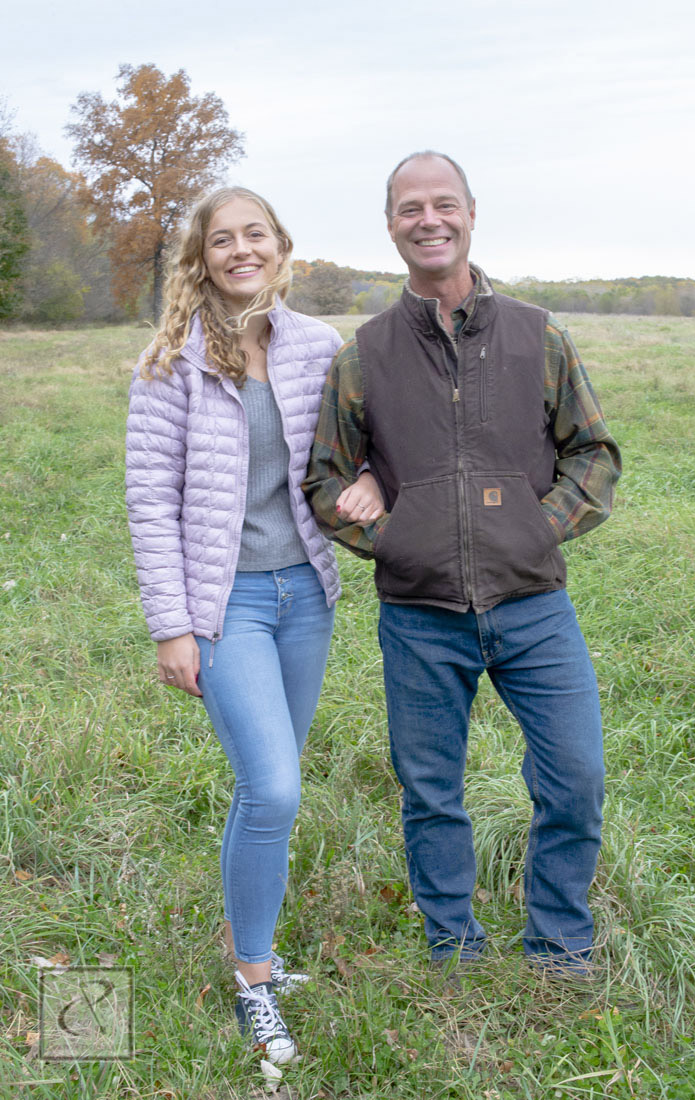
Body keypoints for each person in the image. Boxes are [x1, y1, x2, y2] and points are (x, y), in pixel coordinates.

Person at [304, 152, 622, 977]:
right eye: (410, 208)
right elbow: (324, 480)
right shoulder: (364, 354)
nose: (429, 220)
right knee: (430, 791)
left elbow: (593, 454)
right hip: (419, 615)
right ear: (391, 226)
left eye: (443, 204)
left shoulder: (538, 334)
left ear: (472, 213)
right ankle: (454, 948)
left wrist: (535, 530)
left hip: (532, 604)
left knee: (577, 777)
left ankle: (559, 943)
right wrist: (396, 538)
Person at [125, 186, 382, 1062]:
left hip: (305, 596)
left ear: (281, 246)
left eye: (255, 235)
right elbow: (150, 503)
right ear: (200, 258)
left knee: (268, 789)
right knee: (273, 788)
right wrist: (172, 627)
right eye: (222, 240)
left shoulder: (318, 346)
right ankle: (253, 982)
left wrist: (372, 479)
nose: (241, 251)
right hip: (223, 603)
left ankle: (252, 950)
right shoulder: (171, 362)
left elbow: (362, 446)